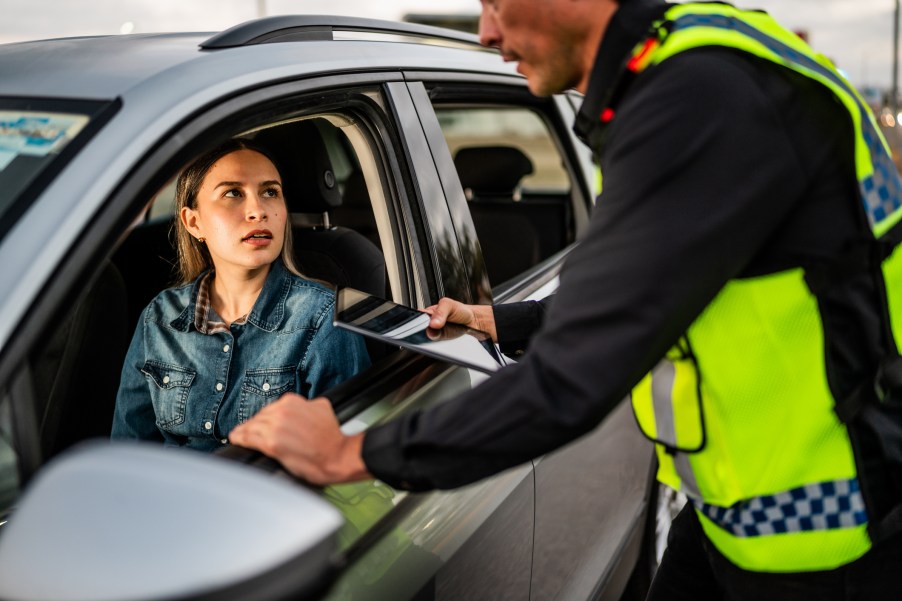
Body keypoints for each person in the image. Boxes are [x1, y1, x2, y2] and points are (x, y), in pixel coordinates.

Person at [230, 0, 902, 597]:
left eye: (494, 2)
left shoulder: (696, 100)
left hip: (827, 540)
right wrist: (495, 318)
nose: (487, 31)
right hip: (743, 513)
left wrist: (349, 453)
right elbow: (655, 283)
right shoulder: (685, 69)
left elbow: (571, 380)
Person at [112, 139, 369, 451]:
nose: (258, 210)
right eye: (233, 193)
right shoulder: (161, 317)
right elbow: (130, 451)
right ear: (194, 222)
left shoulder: (322, 318)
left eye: (270, 192)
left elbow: (342, 457)